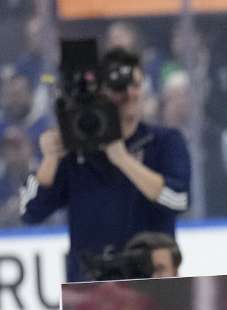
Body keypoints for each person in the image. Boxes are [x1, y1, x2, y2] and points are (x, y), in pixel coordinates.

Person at [19, 47, 191, 282]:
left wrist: (123, 159)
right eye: (119, 87)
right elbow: (30, 213)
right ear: (100, 92)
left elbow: (179, 199)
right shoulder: (75, 151)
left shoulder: (163, 141)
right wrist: (49, 159)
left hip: (152, 282)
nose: (130, 93)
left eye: (136, 85)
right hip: (92, 284)